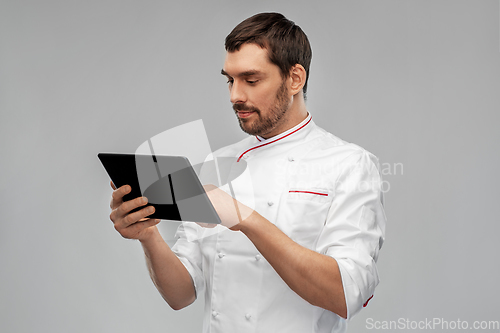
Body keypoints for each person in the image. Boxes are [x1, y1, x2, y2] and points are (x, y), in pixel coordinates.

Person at [109, 12, 386, 333]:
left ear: (295, 78)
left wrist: (245, 219)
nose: (235, 96)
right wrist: (148, 236)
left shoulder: (349, 164)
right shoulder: (218, 162)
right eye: (230, 79)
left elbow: (345, 293)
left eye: (251, 80)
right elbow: (180, 294)